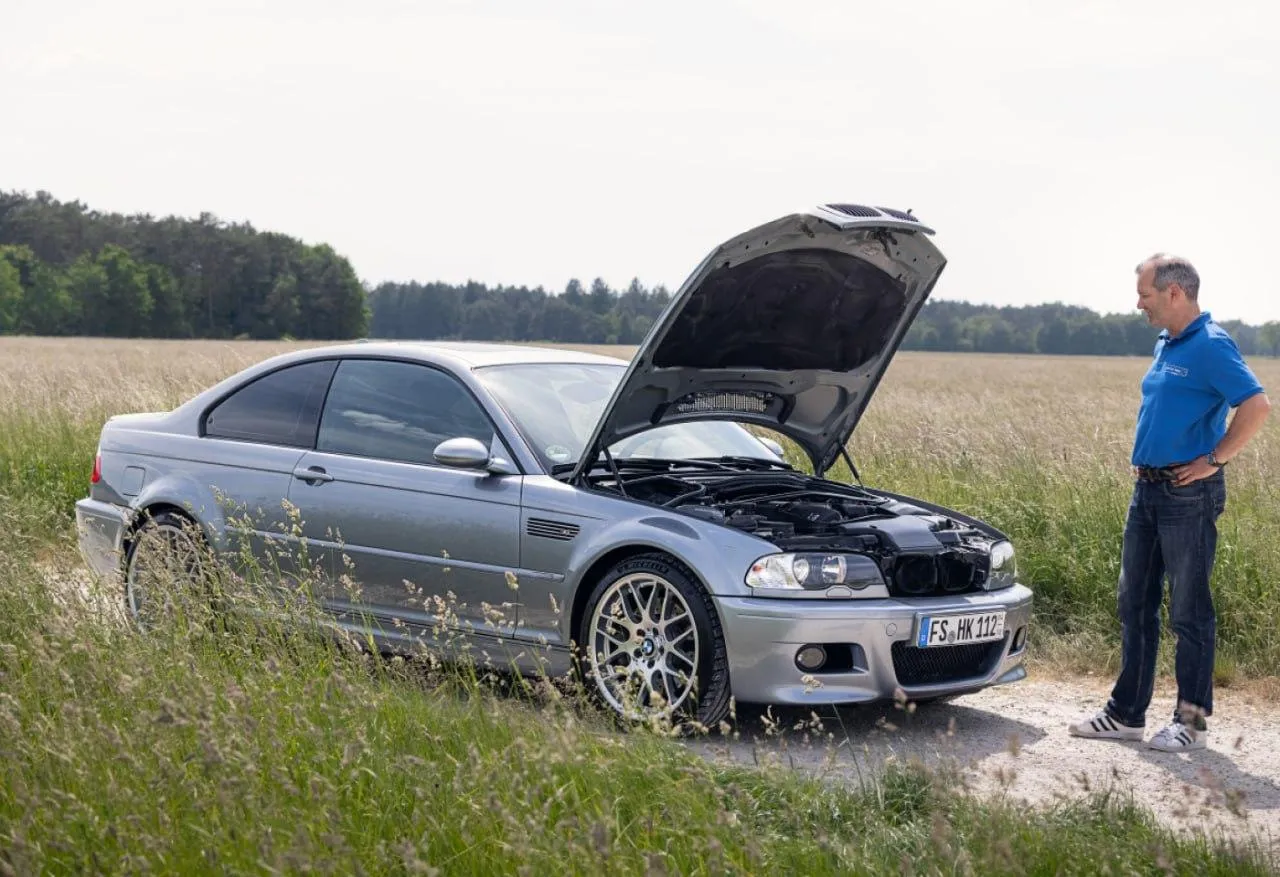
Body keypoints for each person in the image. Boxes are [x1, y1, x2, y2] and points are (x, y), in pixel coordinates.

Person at [1068, 254, 1270, 752]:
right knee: (1134, 602)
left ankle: (1192, 723)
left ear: (1175, 292)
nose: (1139, 303)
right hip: (1147, 491)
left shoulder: (1212, 345)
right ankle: (1126, 715)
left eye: (1146, 294)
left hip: (1188, 494)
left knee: (1189, 611)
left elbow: (1258, 405)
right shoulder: (1165, 342)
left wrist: (1216, 459)